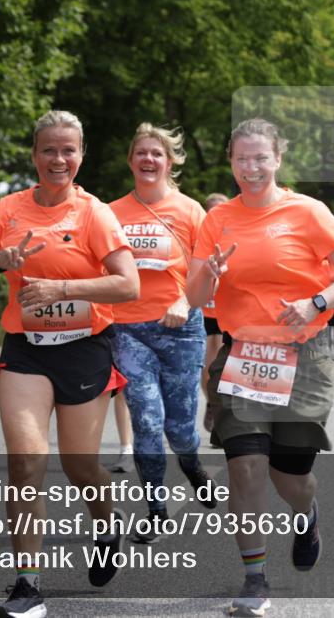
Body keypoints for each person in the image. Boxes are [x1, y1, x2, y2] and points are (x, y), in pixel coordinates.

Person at [0, 110, 139, 618]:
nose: (59, 159)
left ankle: (107, 524)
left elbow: (128, 284)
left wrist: (63, 288)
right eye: (49, 150)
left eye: (68, 150)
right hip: (27, 350)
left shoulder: (95, 213)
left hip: (84, 348)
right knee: (25, 462)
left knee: (81, 467)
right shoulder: (7, 210)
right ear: (34, 156)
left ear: (81, 156)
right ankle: (28, 585)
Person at [185, 119, 334, 617]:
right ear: (231, 162)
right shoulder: (217, 219)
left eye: (260, 158)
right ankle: (254, 579)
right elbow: (194, 297)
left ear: (278, 159)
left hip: (304, 356)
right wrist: (209, 274)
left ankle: (305, 513)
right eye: (241, 159)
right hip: (243, 355)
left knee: (290, 476)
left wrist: (316, 302)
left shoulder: (307, 212)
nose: (251, 168)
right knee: (245, 467)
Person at [108, 122, 216, 540]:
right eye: (141, 152)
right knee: (148, 421)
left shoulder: (191, 211)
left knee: (180, 430)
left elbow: (207, 274)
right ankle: (156, 510)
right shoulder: (111, 213)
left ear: (170, 162)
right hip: (129, 330)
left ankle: (191, 463)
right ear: (130, 160)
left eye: (157, 153)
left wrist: (185, 302)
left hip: (181, 329)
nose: (149, 159)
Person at [200, 192, 228, 433]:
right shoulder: (200, 237)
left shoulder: (235, 237)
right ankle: (211, 401)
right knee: (206, 366)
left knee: (221, 362)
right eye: (212, 211)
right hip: (203, 310)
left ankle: (220, 407)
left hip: (226, 311)